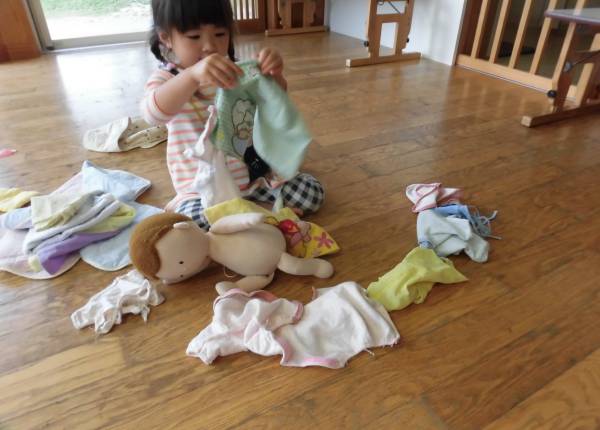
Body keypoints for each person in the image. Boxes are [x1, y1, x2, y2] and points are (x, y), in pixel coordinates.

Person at [141, 0, 324, 230]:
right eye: (194, 37)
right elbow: (152, 114)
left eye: (220, 34)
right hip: (202, 191)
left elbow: (273, 100)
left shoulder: (237, 71)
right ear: (166, 38)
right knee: (193, 223)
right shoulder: (168, 79)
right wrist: (192, 76)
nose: (209, 46)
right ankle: (264, 214)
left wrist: (274, 75)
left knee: (311, 193)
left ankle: (249, 214)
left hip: (254, 181)